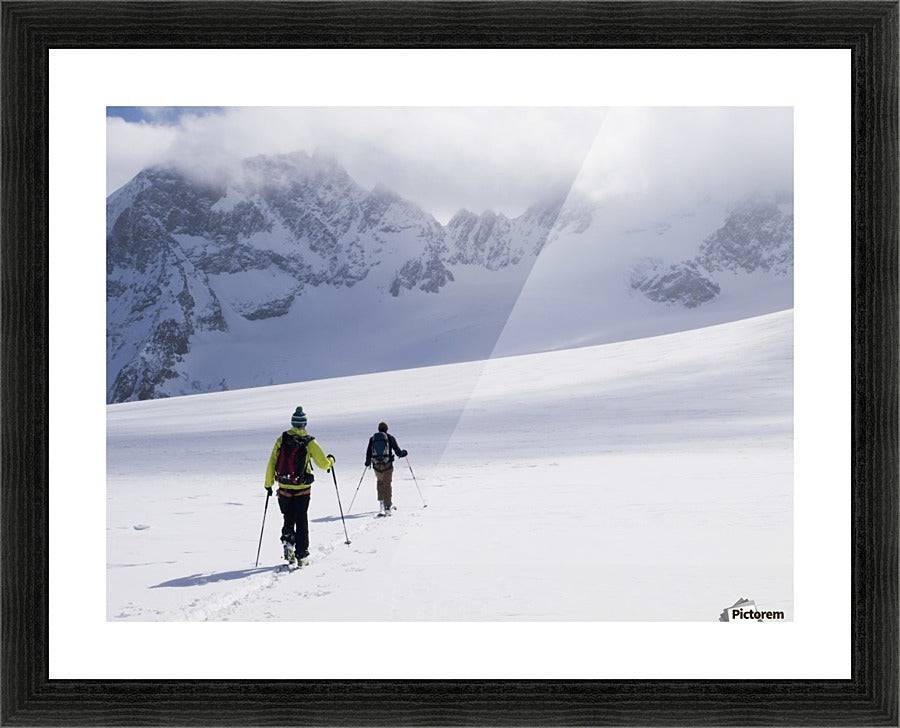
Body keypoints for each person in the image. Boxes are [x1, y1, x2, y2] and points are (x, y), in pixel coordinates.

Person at [264, 406, 334, 564]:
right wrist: (331, 462)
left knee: (288, 517)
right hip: (302, 489)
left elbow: (272, 461)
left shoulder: (282, 439)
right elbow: (323, 463)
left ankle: (288, 544)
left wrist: (268, 484)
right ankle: (301, 555)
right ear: (304, 424)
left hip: (284, 487)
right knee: (301, 519)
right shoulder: (309, 441)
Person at [364, 421, 407, 515]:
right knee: (387, 484)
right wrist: (404, 453)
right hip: (387, 465)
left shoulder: (372, 439)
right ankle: (388, 506)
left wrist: (367, 462)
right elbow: (398, 452)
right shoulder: (390, 438)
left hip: (376, 466)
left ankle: (381, 503)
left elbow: (368, 452)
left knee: (380, 482)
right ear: (387, 429)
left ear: (378, 429)